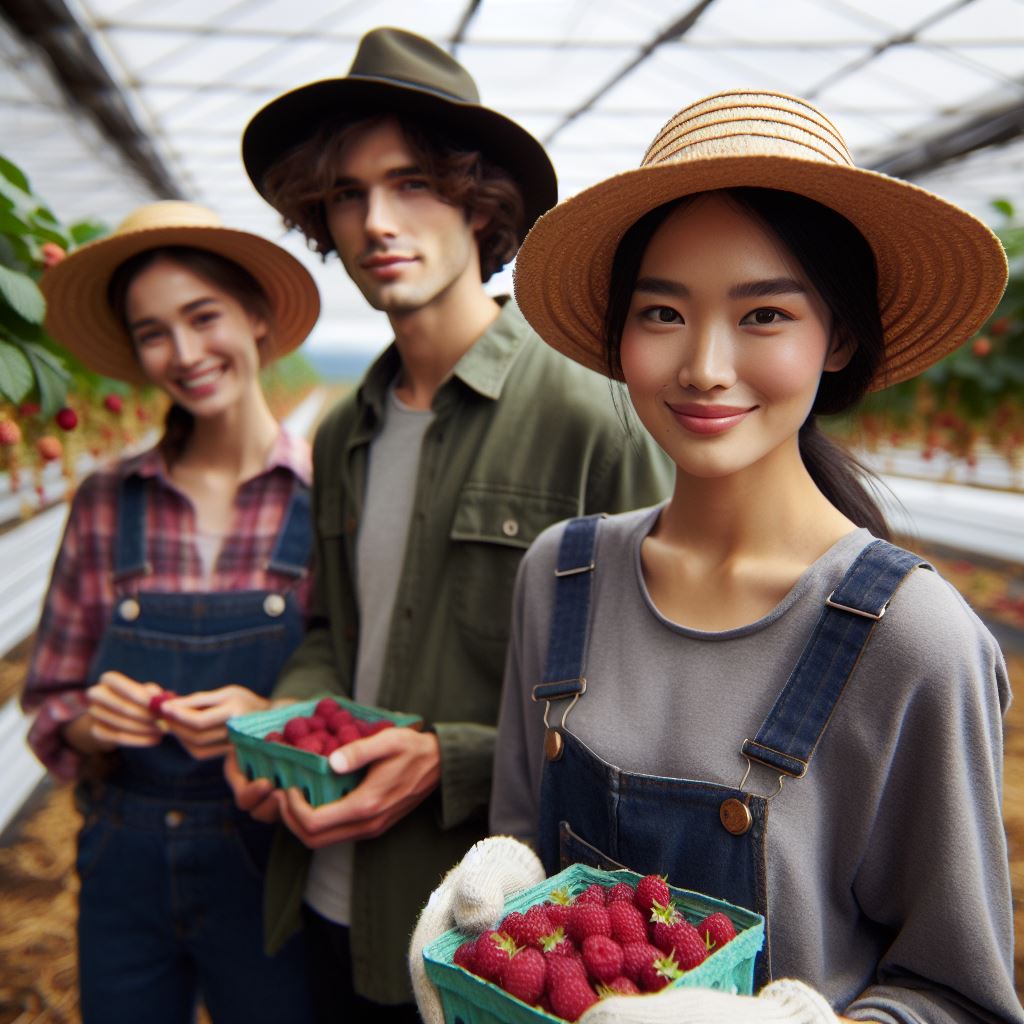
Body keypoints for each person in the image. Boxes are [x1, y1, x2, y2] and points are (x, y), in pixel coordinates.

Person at [409, 90, 1022, 1022]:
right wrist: (489, 922)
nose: (703, 363)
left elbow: (960, 999)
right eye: (662, 312)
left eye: (764, 314)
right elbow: (526, 874)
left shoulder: (916, 645)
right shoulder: (561, 576)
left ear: (840, 335)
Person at [225, 24, 673, 1022]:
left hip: (489, 934)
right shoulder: (346, 427)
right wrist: (277, 738)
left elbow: (649, 705)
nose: (376, 219)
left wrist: (453, 757)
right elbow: (328, 633)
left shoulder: (592, 416)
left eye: (414, 182)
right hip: (324, 892)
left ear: (482, 201)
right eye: (346, 193)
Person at [21, 200, 320, 1024]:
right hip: (125, 855)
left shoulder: (329, 494)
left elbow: (354, 703)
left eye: (203, 316)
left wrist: (273, 717)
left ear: (256, 317)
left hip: (269, 856)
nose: (184, 353)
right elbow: (51, 699)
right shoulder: (107, 500)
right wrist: (92, 718)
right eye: (153, 332)